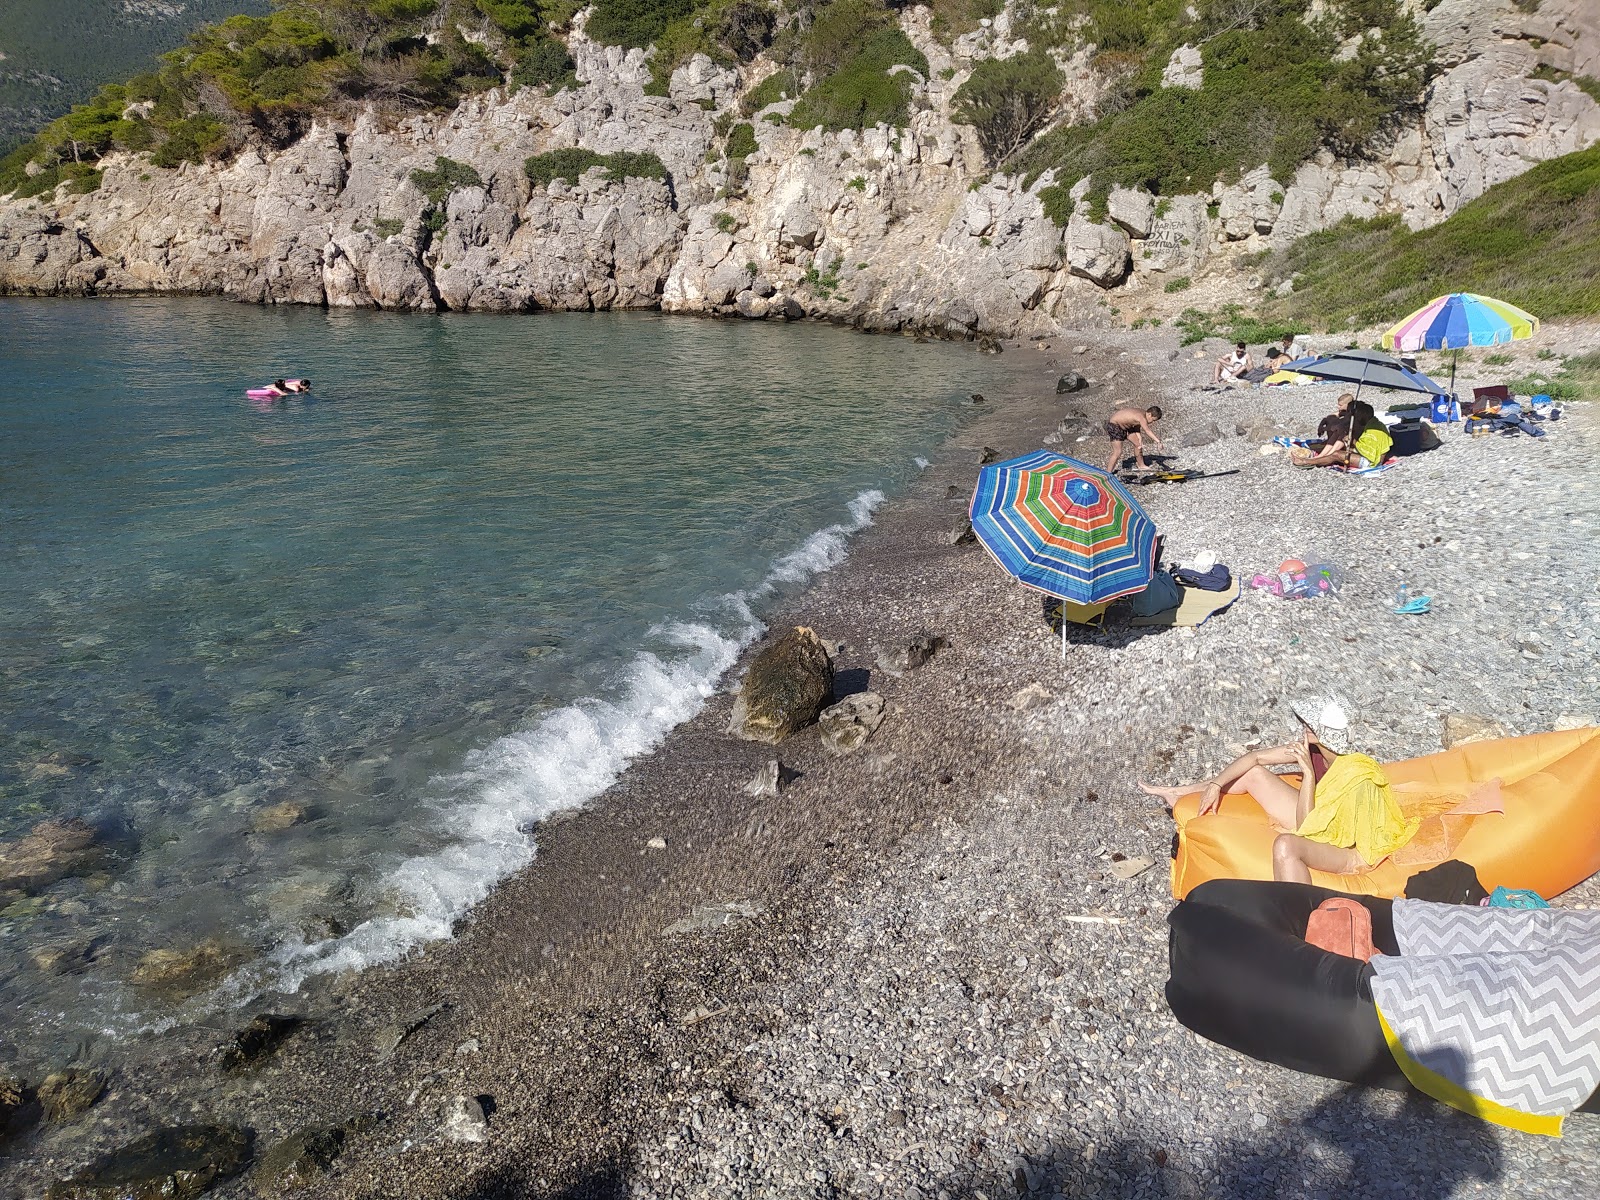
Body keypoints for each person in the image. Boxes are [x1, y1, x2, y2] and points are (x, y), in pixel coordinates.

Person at [1139, 697, 1417, 883]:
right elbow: (1254, 758)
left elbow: (1313, 829)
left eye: (1307, 726)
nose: (1303, 730)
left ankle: (1297, 921)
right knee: (1255, 774)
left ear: (1316, 732)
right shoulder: (1314, 749)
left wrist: (1308, 774)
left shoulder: (1355, 773)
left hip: (1340, 840)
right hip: (1318, 814)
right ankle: (1181, 792)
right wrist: (1215, 785)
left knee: (1287, 843)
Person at [1102, 405, 1164, 474]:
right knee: (1118, 452)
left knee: (1138, 444)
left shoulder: (1143, 414)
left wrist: (1139, 436)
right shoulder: (1141, 417)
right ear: (1149, 414)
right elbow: (1147, 431)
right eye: (1153, 419)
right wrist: (1158, 441)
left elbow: (1135, 424)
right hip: (1115, 426)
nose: (1153, 422)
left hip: (1126, 426)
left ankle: (1141, 465)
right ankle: (1108, 473)